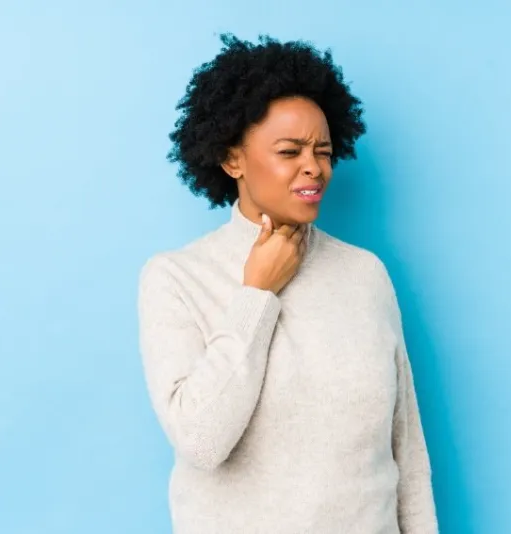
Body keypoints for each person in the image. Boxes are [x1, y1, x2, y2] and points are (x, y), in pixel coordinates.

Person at [138, 33, 438, 534]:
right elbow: (201, 441)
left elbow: (405, 450)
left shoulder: (365, 275)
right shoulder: (176, 278)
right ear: (232, 159)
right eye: (289, 150)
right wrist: (256, 295)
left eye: (322, 150)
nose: (312, 167)